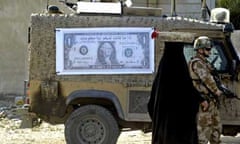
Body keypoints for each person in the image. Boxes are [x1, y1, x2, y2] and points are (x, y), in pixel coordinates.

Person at [148, 42, 202, 144]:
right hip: (181, 134)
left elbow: (151, 105)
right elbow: (191, 99)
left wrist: (160, 123)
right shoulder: (182, 75)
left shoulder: (160, 78)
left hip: (163, 134)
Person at [188, 36, 223, 144]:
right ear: (200, 50)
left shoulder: (205, 63)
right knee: (203, 132)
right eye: (207, 49)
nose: (210, 51)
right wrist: (216, 90)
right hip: (204, 102)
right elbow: (207, 79)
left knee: (216, 129)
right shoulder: (197, 63)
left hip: (212, 101)